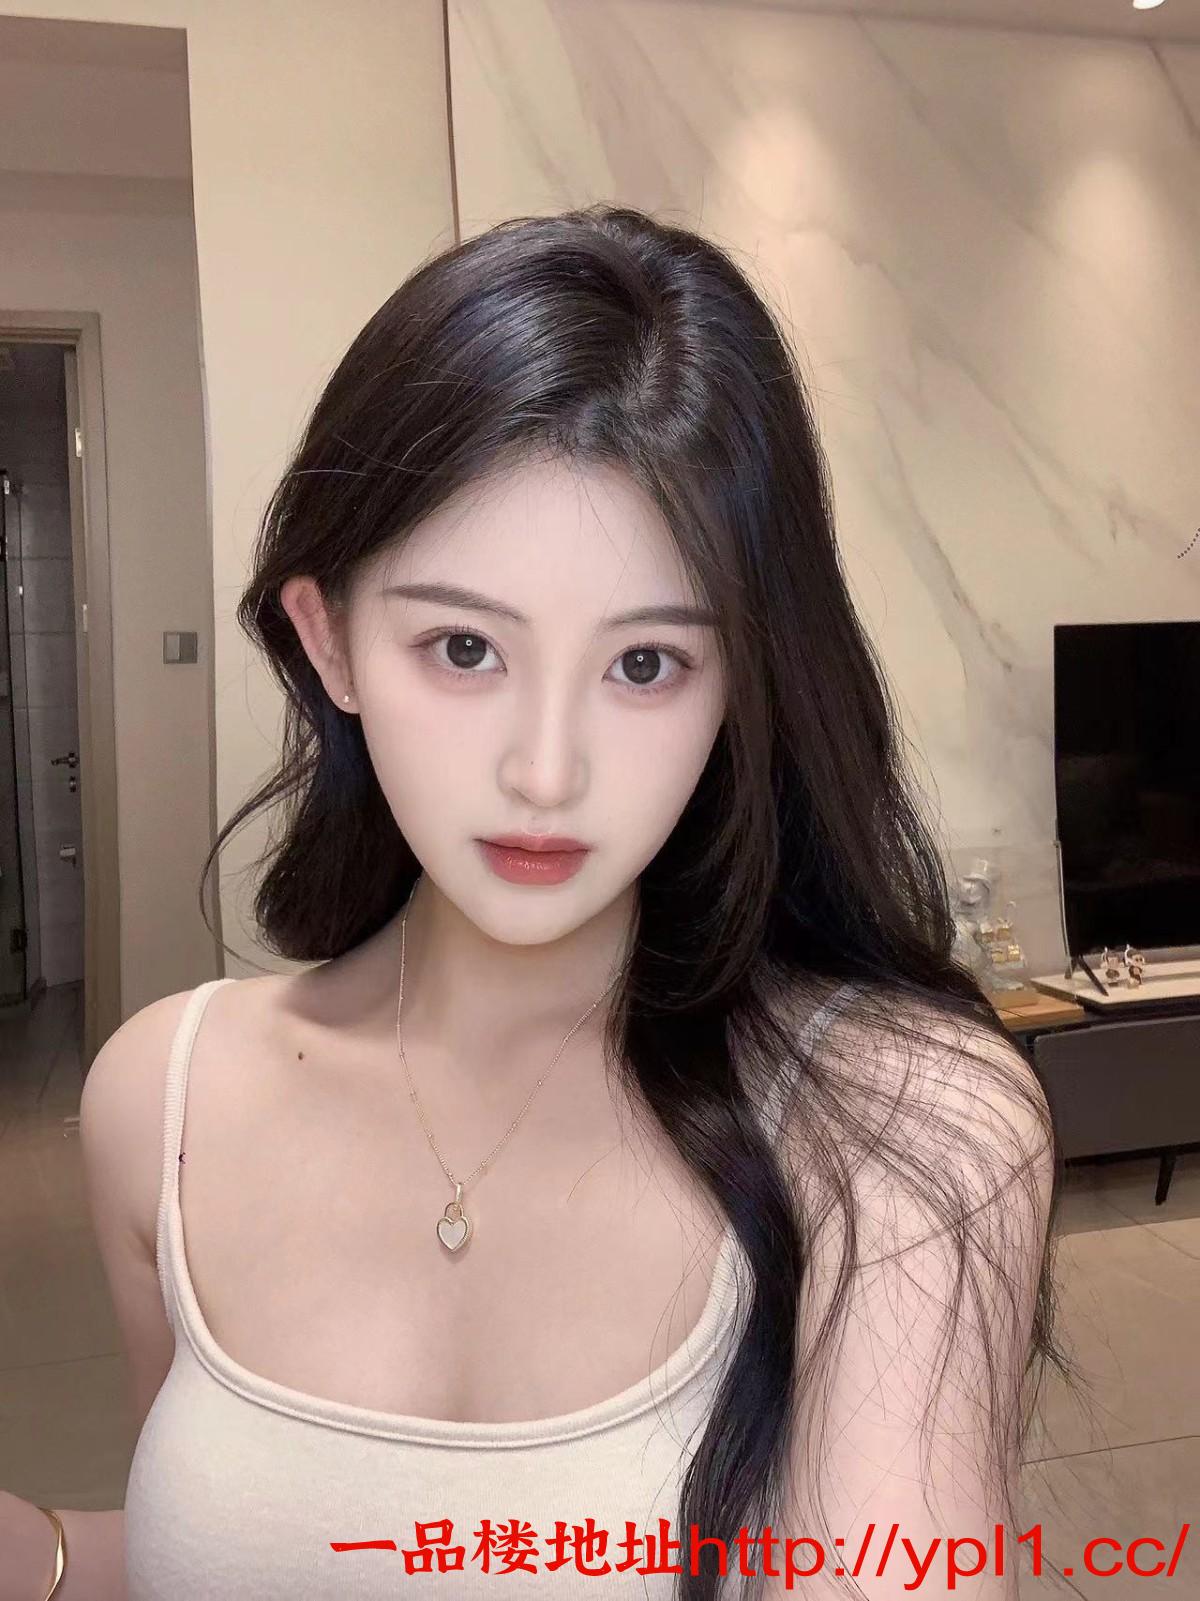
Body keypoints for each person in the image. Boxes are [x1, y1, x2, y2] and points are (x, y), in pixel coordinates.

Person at [1, 205, 1074, 1600]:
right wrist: (49, 1553)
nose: (546, 771)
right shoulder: (162, 1100)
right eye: (463, 647)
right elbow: (254, 1555)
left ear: (743, 683)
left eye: (645, 665)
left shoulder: (902, 1126)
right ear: (330, 641)